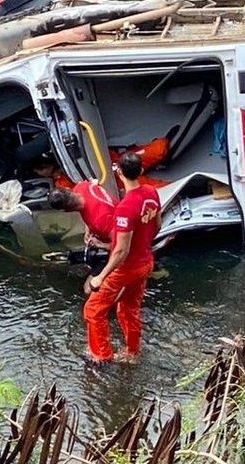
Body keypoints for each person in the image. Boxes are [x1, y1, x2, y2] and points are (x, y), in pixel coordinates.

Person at [82, 152, 160, 363]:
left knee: (93, 310)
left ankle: (101, 356)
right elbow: (157, 226)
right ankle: (132, 354)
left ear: (118, 173)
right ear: (141, 171)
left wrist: (101, 276)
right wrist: (142, 245)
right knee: (128, 309)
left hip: (127, 267)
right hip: (146, 261)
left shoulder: (124, 209)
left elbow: (121, 251)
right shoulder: (152, 192)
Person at [47, 179, 118, 249]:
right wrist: (88, 228)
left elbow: (123, 244)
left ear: (66, 211)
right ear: (68, 189)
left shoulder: (99, 221)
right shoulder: (81, 186)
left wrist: (101, 245)